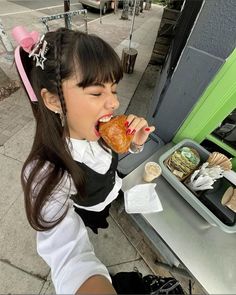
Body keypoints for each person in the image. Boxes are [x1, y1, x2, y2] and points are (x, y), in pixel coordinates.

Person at [12, 26, 155, 294]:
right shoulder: (47, 172)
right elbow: (67, 255)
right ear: (54, 100)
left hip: (106, 196)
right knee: (91, 222)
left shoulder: (100, 131)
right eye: (97, 93)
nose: (113, 103)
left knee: (103, 211)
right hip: (86, 208)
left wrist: (134, 145)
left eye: (113, 89)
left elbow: (107, 158)